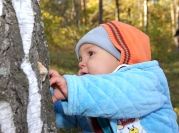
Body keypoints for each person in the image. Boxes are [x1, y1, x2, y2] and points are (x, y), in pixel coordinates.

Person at [48, 21, 179, 133]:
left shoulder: (147, 79)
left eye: (91, 53)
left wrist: (74, 89)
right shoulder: (86, 98)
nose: (81, 63)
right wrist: (53, 94)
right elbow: (64, 118)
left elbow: (116, 95)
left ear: (121, 57)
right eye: (80, 58)